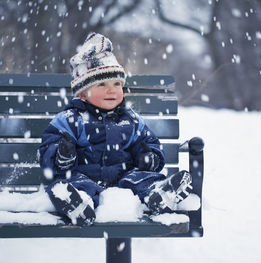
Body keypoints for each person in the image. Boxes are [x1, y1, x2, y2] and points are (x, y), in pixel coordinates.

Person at [39, 32, 192, 226]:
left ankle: (159, 194)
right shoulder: (70, 119)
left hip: (124, 180)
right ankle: (77, 202)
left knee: (141, 178)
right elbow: (47, 149)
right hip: (84, 177)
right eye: (102, 84)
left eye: (117, 84)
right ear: (83, 93)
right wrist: (61, 155)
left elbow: (150, 143)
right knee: (73, 183)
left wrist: (150, 158)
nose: (112, 90)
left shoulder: (131, 120)